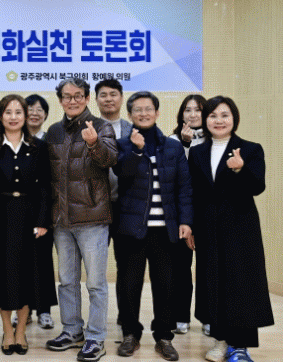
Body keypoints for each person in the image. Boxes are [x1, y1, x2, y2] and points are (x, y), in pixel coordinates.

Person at [189, 96, 273, 362]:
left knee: (241, 284)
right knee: (213, 282)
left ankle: (240, 346)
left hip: (240, 228)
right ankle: (220, 340)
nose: (219, 120)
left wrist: (241, 170)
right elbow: (194, 193)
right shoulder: (197, 152)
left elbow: (257, 186)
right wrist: (191, 226)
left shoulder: (250, 149)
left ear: (234, 118)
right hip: (208, 229)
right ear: (205, 120)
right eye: (213, 115)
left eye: (224, 115)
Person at [112, 91, 193, 361]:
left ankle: (164, 337)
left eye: (148, 109)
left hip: (165, 230)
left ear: (157, 113)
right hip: (131, 229)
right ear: (130, 114)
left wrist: (186, 221)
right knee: (128, 285)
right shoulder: (123, 145)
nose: (143, 113)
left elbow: (184, 188)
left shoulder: (173, 147)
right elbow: (123, 176)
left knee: (166, 285)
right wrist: (136, 151)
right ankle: (130, 334)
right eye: (137, 109)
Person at [44, 77, 117, 362]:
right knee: (67, 281)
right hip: (62, 220)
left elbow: (110, 160)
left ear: (87, 98)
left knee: (96, 283)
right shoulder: (53, 131)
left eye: (78, 96)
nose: (72, 101)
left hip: (92, 218)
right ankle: (72, 330)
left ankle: (96, 337)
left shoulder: (101, 127)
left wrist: (94, 143)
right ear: (60, 100)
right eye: (67, 96)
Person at [0, 95, 50, 355]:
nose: (14, 117)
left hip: (30, 215)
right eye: (8, 112)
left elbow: (45, 186)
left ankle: (21, 332)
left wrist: (43, 221)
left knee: (28, 274)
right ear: (0, 116)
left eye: (19, 112)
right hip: (0, 215)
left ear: (25, 116)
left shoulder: (39, 146)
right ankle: (8, 330)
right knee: (2, 274)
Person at [8, 94, 56, 331]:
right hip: (18, 211)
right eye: (30, 109)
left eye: (40, 109)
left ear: (45, 115)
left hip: (44, 209)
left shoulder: (50, 140)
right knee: (19, 263)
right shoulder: (13, 139)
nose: (35, 113)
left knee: (43, 261)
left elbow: (48, 181)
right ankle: (22, 310)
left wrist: (44, 217)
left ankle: (44, 310)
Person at [168, 94, 208, 336]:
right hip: (181, 212)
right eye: (188, 110)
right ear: (181, 114)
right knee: (180, 267)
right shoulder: (172, 141)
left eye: (198, 110)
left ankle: (208, 317)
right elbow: (176, 177)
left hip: (207, 212)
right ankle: (179, 316)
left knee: (208, 267)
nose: (193, 114)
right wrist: (185, 144)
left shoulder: (215, 139)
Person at [94, 78, 131, 326]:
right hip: (95, 206)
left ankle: (125, 317)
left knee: (126, 265)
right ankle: (96, 321)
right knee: (95, 268)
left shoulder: (133, 129)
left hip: (126, 207)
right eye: (103, 95)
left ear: (121, 98)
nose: (108, 99)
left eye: (113, 94)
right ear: (96, 100)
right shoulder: (88, 128)